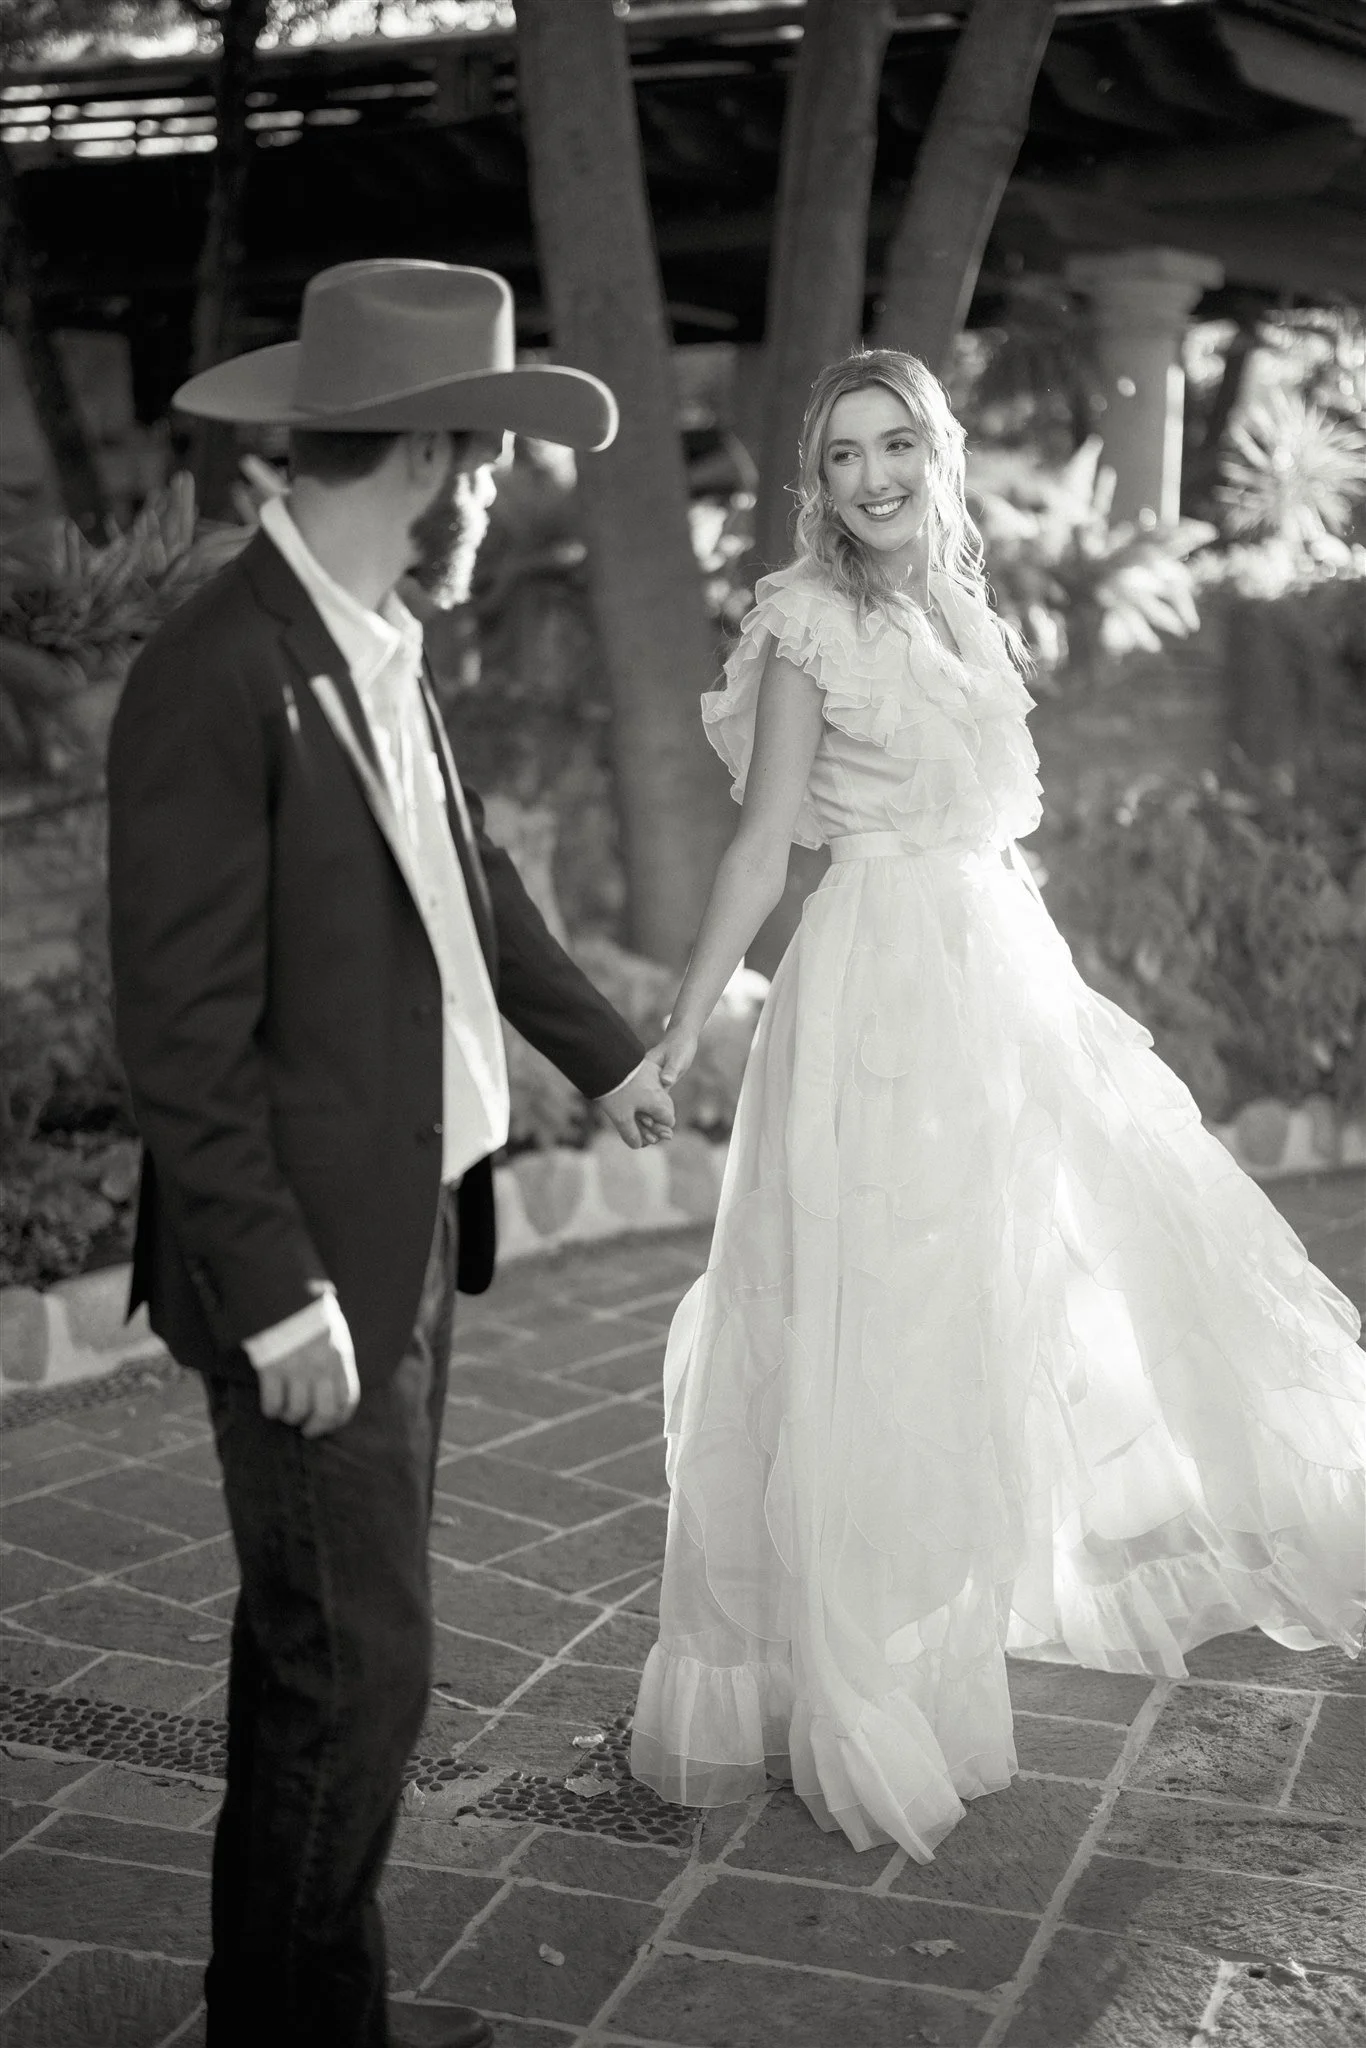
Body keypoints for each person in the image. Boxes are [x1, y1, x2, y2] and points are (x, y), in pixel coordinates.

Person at [628, 347, 1365, 1862]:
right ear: (814, 484)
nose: (874, 478)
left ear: (939, 452)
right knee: (873, 1320)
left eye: (897, 443)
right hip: (873, 992)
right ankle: (873, 1673)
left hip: (995, 981)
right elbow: (764, 846)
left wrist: (1053, 1010)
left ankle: (971, 1593)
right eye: (843, 457)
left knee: (1021, 1289)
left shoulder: (965, 613)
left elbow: (990, 835)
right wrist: (681, 1026)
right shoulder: (801, 625)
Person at [107, 260, 676, 2048]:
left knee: (319, 1663)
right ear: (432, 455)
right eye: (490, 452)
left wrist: (611, 1053)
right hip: (305, 1271)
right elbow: (178, 1035)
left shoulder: (377, 644)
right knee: (362, 1676)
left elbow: (468, 888)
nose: (499, 487)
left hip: (411, 1224)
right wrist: (278, 1304)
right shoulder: (220, 672)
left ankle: (290, 2010)